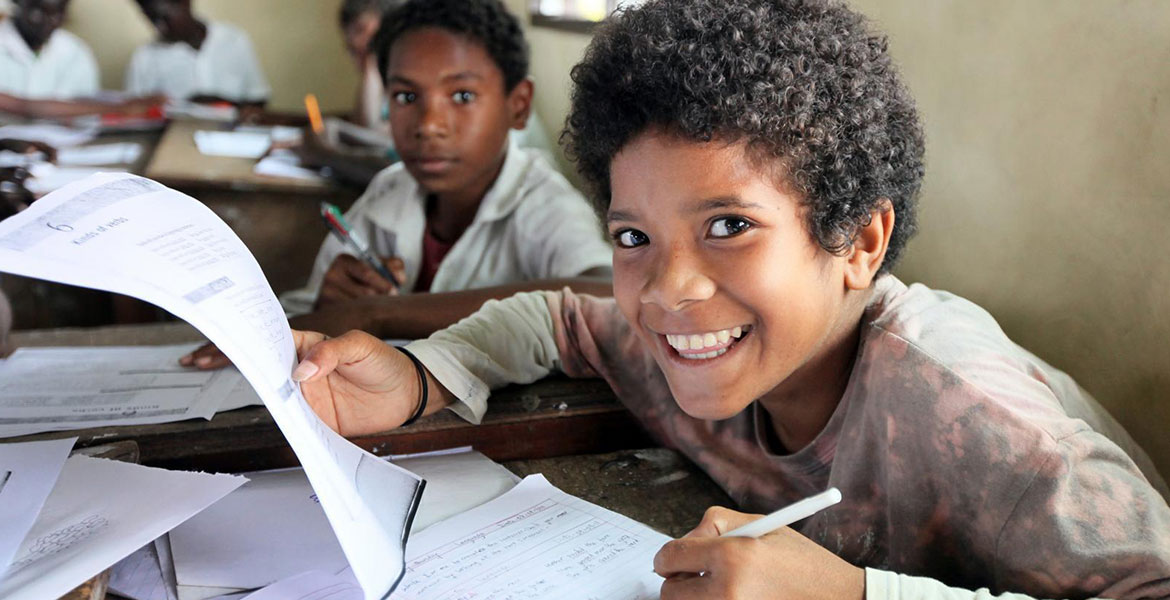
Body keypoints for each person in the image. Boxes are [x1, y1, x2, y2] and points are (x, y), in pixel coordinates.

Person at [286, 0, 1170, 598]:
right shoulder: (680, 341)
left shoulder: (977, 419)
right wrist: (418, 374)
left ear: (859, 241)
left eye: (729, 227)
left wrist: (854, 593)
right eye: (633, 238)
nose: (669, 290)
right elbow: (554, 317)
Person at [180, 0, 611, 369]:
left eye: (461, 96)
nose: (428, 126)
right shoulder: (390, 190)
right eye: (406, 97)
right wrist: (329, 304)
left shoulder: (543, 203)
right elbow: (310, 313)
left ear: (518, 107)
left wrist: (379, 313)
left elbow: (605, 293)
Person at [125, 0, 268, 110]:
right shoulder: (145, 57)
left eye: (165, 17)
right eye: (153, 20)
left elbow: (259, 100)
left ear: (185, 3)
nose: (161, 28)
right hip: (174, 142)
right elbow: (135, 112)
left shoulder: (234, 40)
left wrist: (222, 104)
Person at [0, 0, 98, 99]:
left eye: (58, 13)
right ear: (17, 3)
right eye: (38, 11)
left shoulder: (76, 53)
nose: (50, 21)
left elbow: (85, 108)